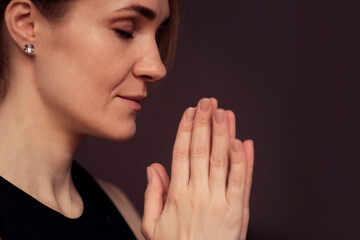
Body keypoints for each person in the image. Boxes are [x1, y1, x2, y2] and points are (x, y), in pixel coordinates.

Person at [0, 0, 255, 239]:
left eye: (158, 35)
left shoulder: (121, 210)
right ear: (27, 25)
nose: (157, 67)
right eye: (126, 30)